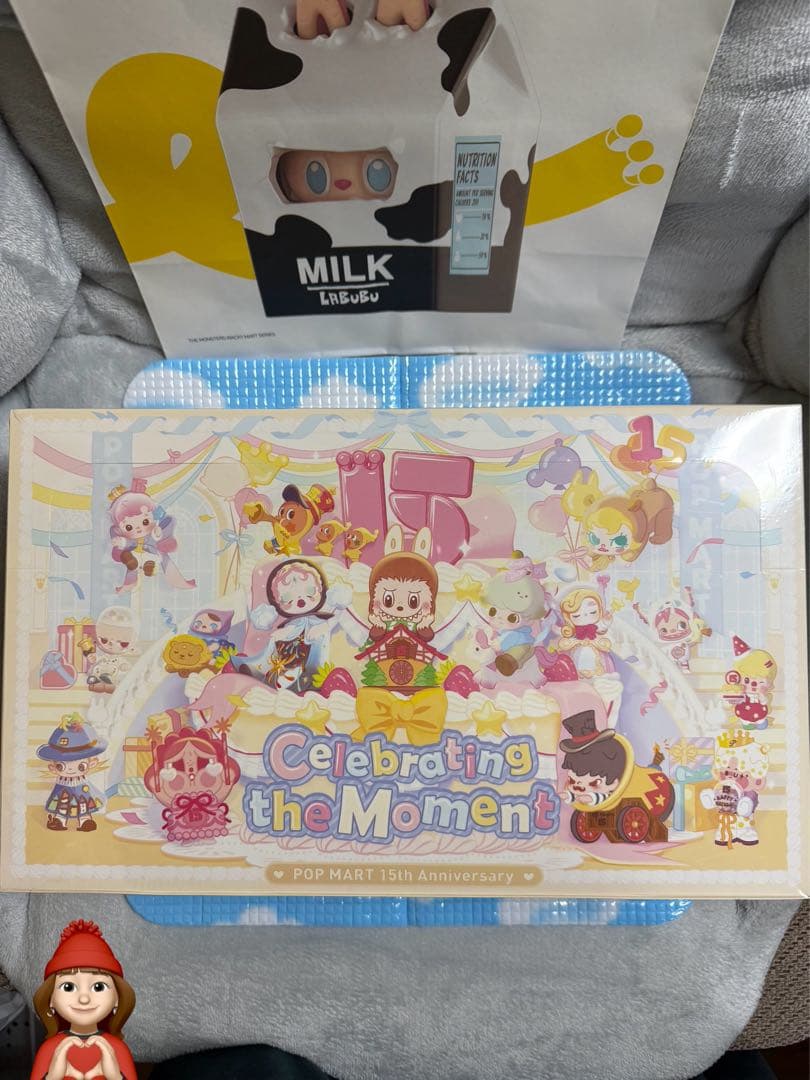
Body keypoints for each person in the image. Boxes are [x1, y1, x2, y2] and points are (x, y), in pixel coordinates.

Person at [30, 920, 136, 1080]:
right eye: (68, 987)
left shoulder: (117, 1049)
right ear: (50, 998)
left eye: (98, 987)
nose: (84, 998)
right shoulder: (49, 1049)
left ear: (117, 997)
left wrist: (116, 1076)